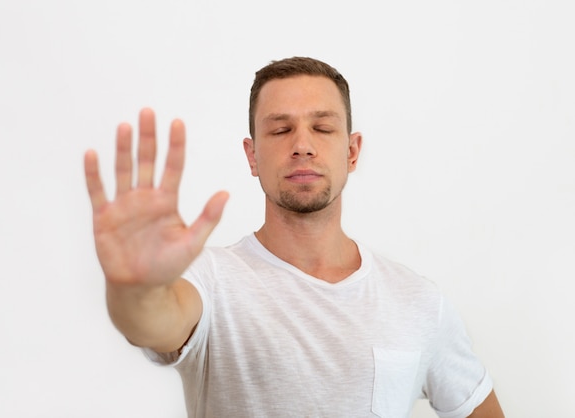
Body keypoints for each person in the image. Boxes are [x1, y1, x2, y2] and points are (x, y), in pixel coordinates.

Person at [84, 57, 505, 417]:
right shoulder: (210, 280)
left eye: (322, 128)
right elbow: (154, 321)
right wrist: (134, 287)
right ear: (252, 155)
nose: (302, 145)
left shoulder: (419, 302)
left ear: (352, 151)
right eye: (280, 130)